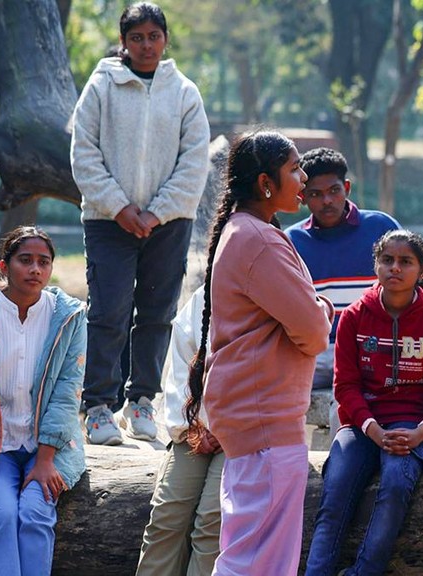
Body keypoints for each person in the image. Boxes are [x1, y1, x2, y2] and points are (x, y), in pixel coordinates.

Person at [185, 131, 333, 575]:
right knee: (258, 560)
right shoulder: (260, 239)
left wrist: (313, 310)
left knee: (254, 554)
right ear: (267, 183)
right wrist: (321, 309)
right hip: (265, 417)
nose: (303, 178)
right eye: (295, 169)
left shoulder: (245, 230)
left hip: (255, 414)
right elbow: (313, 331)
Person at [71, 1, 210, 445]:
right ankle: (97, 407)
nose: (146, 45)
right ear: (124, 42)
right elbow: (84, 152)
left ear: (165, 39)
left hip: (167, 223)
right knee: (109, 310)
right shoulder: (101, 87)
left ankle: (142, 401)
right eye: (137, 38)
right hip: (108, 221)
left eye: (153, 36)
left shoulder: (184, 92)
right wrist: (119, 207)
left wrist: (156, 211)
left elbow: (194, 161)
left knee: (157, 313)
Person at [304, 230, 423, 576]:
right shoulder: (354, 318)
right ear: (375, 264)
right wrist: (371, 429)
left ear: (421, 271)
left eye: (406, 262)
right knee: (336, 492)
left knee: (394, 486)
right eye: (387, 260)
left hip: (413, 427)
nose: (395, 268)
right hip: (362, 425)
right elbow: (345, 386)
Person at [0, 226, 87, 575]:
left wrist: (46, 458)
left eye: (43, 262)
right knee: (3, 514)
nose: (35, 269)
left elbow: (69, 390)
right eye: (25, 261)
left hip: (49, 447)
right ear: (5, 267)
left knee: (35, 513)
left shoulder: (68, 318)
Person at [286, 148, 401, 397]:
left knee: (347, 403)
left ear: (346, 188)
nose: (327, 201)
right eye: (316, 194)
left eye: (334, 191)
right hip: (316, 354)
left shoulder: (382, 228)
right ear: (302, 196)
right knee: (265, 387)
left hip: (374, 349)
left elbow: (415, 290)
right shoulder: (292, 242)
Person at [136, 287, 221, 576]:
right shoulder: (203, 299)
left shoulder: (270, 289)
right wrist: (194, 427)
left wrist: (225, 426)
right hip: (194, 430)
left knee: (212, 521)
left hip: (245, 433)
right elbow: (179, 375)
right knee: (166, 515)